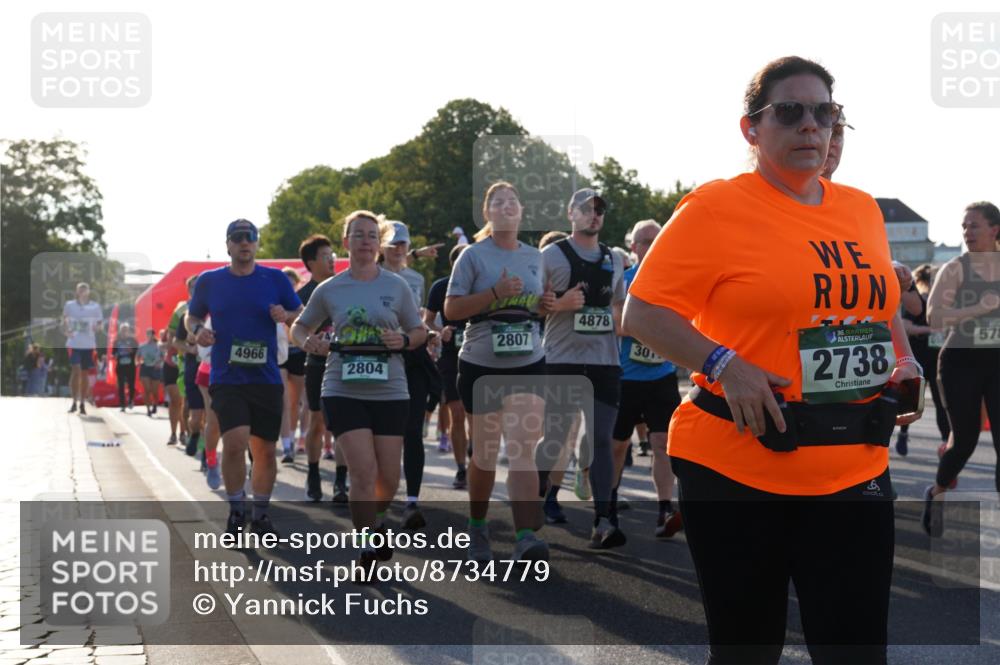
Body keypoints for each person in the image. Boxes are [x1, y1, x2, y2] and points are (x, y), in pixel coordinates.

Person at [623, 56, 920, 663]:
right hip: (739, 466)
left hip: (854, 463)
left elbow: (876, 303)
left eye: (825, 112)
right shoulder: (714, 208)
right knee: (746, 651)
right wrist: (724, 362)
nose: (812, 125)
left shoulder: (861, 209)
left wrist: (904, 357)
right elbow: (643, 313)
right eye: (790, 111)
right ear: (751, 129)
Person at [291, 210, 425, 579]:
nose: (365, 241)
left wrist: (404, 340)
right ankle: (366, 543)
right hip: (342, 388)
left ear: (378, 243)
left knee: (389, 477)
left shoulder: (396, 286)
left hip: (390, 388)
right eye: (358, 235)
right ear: (346, 242)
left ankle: (378, 521)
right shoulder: (330, 289)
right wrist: (311, 342)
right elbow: (299, 328)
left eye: (371, 235)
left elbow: (419, 331)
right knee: (363, 472)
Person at [444, 181, 549, 563]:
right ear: (487, 213)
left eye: (513, 202)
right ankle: (477, 524)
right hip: (481, 364)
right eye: (498, 202)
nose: (506, 207)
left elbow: (536, 306)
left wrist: (545, 304)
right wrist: (494, 294)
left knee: (522, 447)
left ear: (521, 212)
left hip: (528, 361)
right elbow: (452, 310)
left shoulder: (535, 257)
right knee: (486, 454)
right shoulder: (473, 256)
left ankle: (524, 536)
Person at [186, 219, 303, 538]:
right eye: (237, 238)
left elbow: (300, 312)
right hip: (227, 376)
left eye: (249, 238)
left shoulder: (275, 279)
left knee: (265, 450)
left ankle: (261, 513)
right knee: (235, 443)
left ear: (256, 243)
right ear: (228, 245)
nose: (244, 243)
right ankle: (237, 509)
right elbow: (192, 315)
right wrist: (198, 331)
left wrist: (286, 315)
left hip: (265, 378)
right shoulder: (210, 281)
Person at [535, 187, 628, 549]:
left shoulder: (615, 258)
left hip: (605, 361)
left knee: (601, 439)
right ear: (570, 214)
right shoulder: (551, 256)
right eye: (586, 209)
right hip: (562, 360)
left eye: (599, 210)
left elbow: (619, 309)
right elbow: (532, 306)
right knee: (557, 438)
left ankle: (603, 520)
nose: (594, 215)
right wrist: (559, 304)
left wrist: (624, 327)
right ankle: (535, 495)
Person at [923, 201, 1000, 535]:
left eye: (974, 225)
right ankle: (938, 492)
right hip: (960, 361)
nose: (967, 232)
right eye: (964, 226)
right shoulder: (956, 268)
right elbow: (934, 317)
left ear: (995, 229)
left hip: (997, 361)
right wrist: (976, 308)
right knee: (964, 442)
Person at [613, 219, 684, 538]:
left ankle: (664, 508)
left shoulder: (674, 279)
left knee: (661, 443)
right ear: (633, 246)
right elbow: (619, 325)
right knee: (617, 445)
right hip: (626, 377)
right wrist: (656, 326)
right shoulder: (624, 279)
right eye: (645, 241)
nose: (652, 245)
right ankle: (608, 506)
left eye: (657, 239)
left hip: (662, 376)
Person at [380, 220, 441, 529]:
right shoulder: (369, 276)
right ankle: (376, 495)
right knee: (382, 432)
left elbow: (417, 318)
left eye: (402, 244)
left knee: (413, 431)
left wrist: (428, 333)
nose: (398, 249)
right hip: (378, 357)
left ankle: (412, 501)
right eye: (392, 244)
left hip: (412, 356)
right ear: (382, 247)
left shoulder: (416, 278)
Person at [295, 234, 349, 503]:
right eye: (326, 256)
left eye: (333, 255)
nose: (331, 260)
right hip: (316, 364)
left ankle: (341, 480)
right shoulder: (302, 295)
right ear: (310, 262)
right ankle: (313, 474)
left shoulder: (344, 287)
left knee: (341, 423)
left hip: (345, 365)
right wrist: (309, 340)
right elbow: (295, 330)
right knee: (316, 421)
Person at [425, 244, 471, 489]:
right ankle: (462, 468)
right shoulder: (441, 287)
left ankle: (476, 458)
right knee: (457, 412)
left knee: (477, 416)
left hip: (479, 354)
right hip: (451, 357)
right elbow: (427, 320)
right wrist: (437, 331)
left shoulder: (482, 286)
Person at [895, 264, 951, 455]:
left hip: (936, 358)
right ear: (922, 282)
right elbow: (905, 326)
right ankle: (903, 434)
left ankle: (946, 441)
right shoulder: (915, 302)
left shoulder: (943, 304)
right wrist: (930, 330)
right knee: (911, 400)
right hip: (916, 355)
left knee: (940, 401)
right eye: (931, 281)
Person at [174, 276, 205, 456]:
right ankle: (194, 434)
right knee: (195, 413)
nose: (196, 291)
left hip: (213, 367)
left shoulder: (217, 309)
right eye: (193, 288)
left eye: (199, 287)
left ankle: (206, 454)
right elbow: (176, 341)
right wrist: (190, 349)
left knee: (211, 414)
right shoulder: (187, 315)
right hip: (193, 366)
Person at [279, 266, 306, 463]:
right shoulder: (273, 302)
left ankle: (296, 438)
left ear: (297, 284)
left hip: (297, 352)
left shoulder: (300, 305)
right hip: (279, 353)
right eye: (285, 284)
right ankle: (287, 445)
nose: (288, 287)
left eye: (291, 284)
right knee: (284, 400)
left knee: (296, 402)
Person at [63, 282, 103, 415]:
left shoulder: (95, 306)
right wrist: (67, 330)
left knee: (85, 374)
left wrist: (96, 328)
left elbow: (100, 325)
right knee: (76, 370)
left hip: (88, 345)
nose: (82, 292)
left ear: (88, 292)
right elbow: (65, 321)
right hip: (74, 343)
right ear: (77, 292)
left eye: (85, 290)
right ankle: (74, 401)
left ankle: (82, 403)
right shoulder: (69, 305)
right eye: (80, 290)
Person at [160, 327, 183, 444]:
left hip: (184, 364)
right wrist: (167, 342)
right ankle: (173, 433)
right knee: (175, 401)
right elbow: (162, 343)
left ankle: (184, 432)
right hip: (170, 365)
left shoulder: (194, 322)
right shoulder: (170, 327)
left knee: (183, 402)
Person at [112, 323, 139, 411]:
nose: (124, 332)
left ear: (128, 331)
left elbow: (138, 351)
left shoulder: (133, 340)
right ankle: (122, 404)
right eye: (122, 330)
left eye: (126, 330)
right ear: (120, 331)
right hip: (120, 366)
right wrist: (115, 355)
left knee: (131, 384)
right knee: (121, 385)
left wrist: (132, 350)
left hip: (131, 366)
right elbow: (113, 352)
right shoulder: (117, 341)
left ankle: (131, 400)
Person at [138, 327, 163, 417]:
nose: (149, 336)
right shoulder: (142, 346)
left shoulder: (158, 346)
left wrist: (158, 363)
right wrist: (138, 362)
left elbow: (163, 357)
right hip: (145, 368)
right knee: (147, 389)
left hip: (155, 369)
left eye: (151, 334)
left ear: (153, 336)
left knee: (154, 391)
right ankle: (148, 409)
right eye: (147, 334)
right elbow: (137, 357)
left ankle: (155, 405)